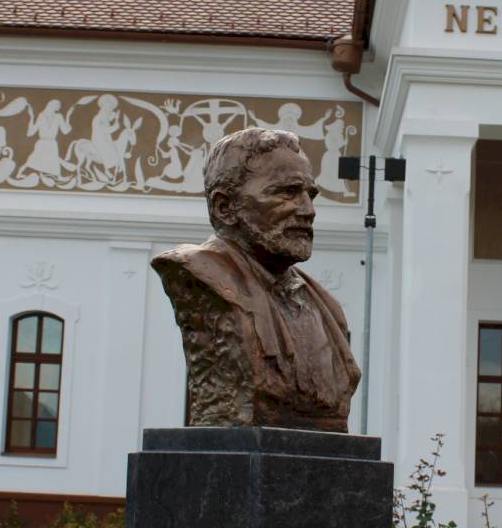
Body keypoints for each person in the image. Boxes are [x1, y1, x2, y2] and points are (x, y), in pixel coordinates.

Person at [151, 128, 360, 432]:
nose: (308, 210)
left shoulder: (327, 308)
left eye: (310, 194)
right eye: (287, 192)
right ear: (225, 208)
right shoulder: (201, 276)